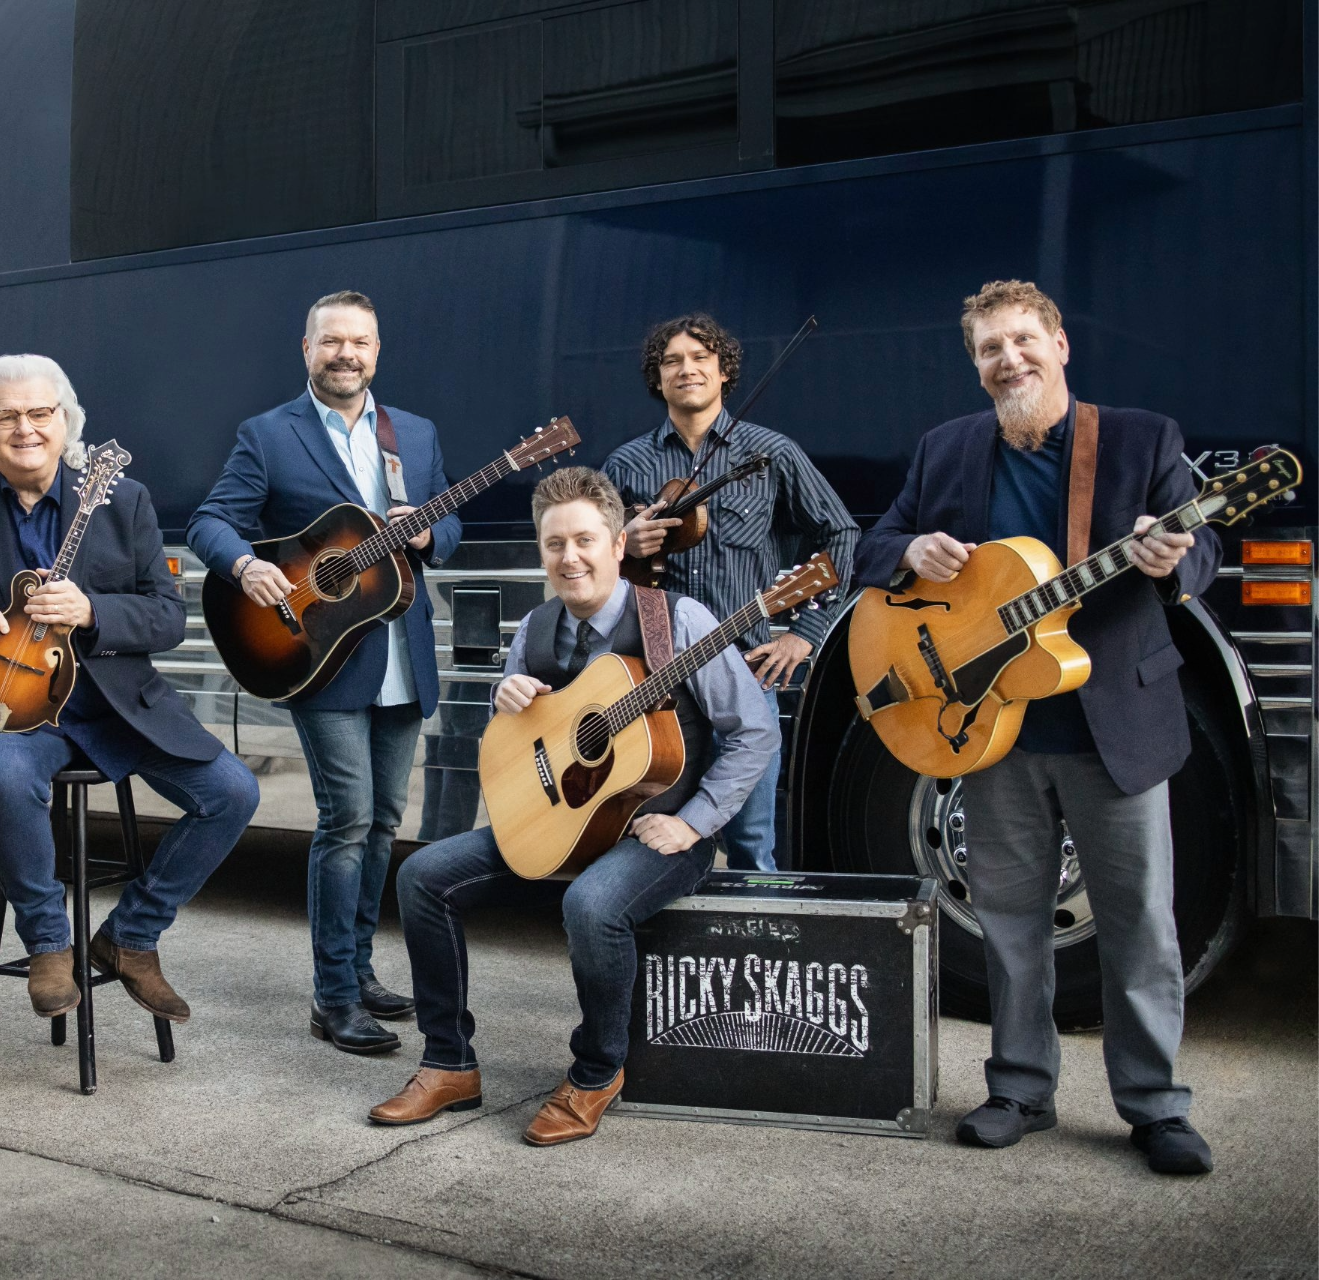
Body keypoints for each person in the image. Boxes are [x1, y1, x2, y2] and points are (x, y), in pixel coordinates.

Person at [854, 279, 1219, 1175]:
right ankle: (1020, 1089)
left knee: (1140, 927)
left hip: (1113, 728)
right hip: (996, 730)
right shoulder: (946, 450)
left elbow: (1204, 553)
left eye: (1023, 340)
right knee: (1011, 926)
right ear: (976, 365)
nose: (1008, 359)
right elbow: (870, 544)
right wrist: (908, 550)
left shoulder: (1141, 439)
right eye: (990, 348)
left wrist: (1170, 558)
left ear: (1060, 345)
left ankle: (1156, 1106)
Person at [368, 467, 776, 1144]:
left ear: (618, 544)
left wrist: (694, 822)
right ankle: (448, 1064)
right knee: (421, 876)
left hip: (658, 831)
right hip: (562, 821)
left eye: (585, 540)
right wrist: (506, 700)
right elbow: (519, 739)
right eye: (554, 544)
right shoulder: (536, 625)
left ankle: (596, 1071)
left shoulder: (679, 622)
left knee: (590, 904)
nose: (570, 558)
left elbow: (754, 730)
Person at [0, 354, 258, 1023]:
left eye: (40, 413)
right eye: (6, 416)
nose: (24, 428)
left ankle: (131, 935)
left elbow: (167, 616)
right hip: (15, 711)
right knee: (3, 774)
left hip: (118, 708)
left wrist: (93, 611)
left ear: (67, 421)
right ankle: (48, 943)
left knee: (233, 792)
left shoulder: (124, 499)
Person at [186, 291, 462, 1054]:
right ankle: (332, 994)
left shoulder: (414, 433)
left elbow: (450, 524)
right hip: (316, 654)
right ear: (306, 349)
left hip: (400, 652)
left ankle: (360, 970)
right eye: (332, 341)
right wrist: (245, 567)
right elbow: (210, 521)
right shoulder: (268, 434)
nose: (347, 354)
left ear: (377, 351)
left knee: (384, 821)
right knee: (347, 820)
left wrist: (432, 534)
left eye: (360, 342)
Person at [603, 313, 857, 871]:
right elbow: (587, 563)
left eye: (701, 358)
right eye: (672, 361)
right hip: (653, 683)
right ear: (658, 378)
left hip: (744, 673)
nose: (687, 369)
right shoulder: (627, 462)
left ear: (723, 372)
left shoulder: (771, 453)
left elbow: (840, 534)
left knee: (751, 844)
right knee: (643, 835)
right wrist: (624, 541)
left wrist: (805, 634)